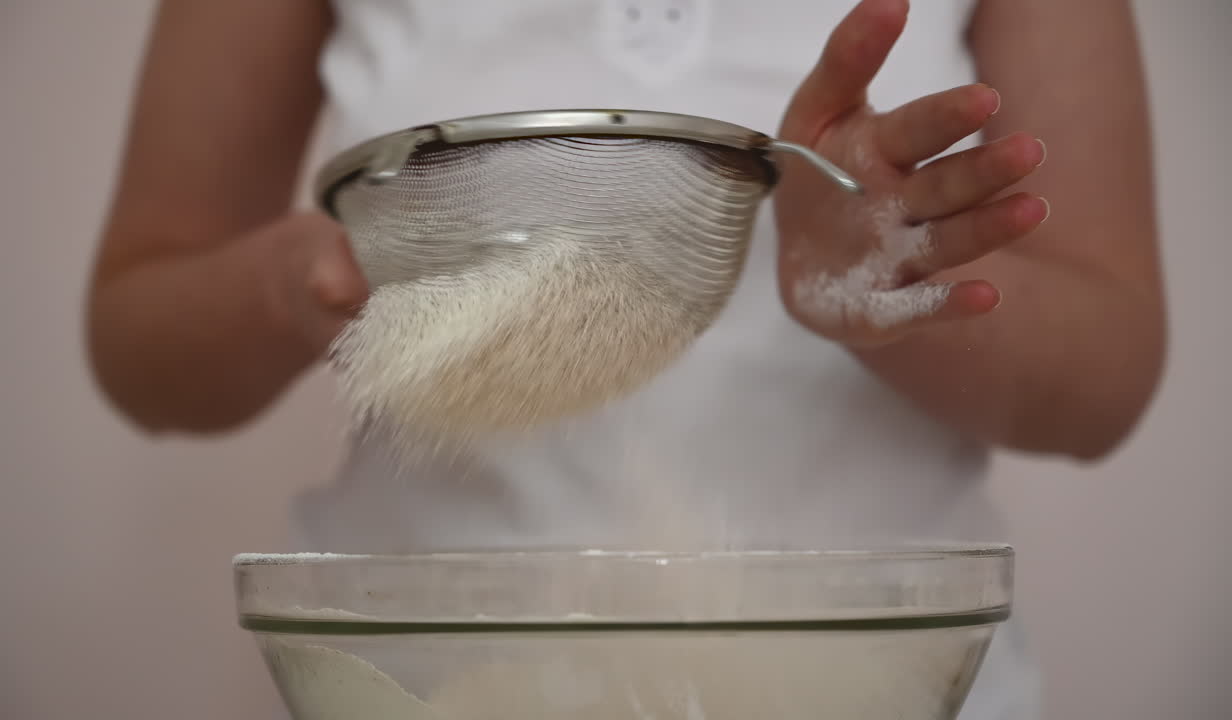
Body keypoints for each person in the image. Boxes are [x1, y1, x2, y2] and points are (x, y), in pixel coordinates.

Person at [84, 1, 1164, 717]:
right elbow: (139, 338)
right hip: (423, 686)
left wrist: (880, 274)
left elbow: (1103, 381)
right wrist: (306, 281)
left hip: (875, 684)